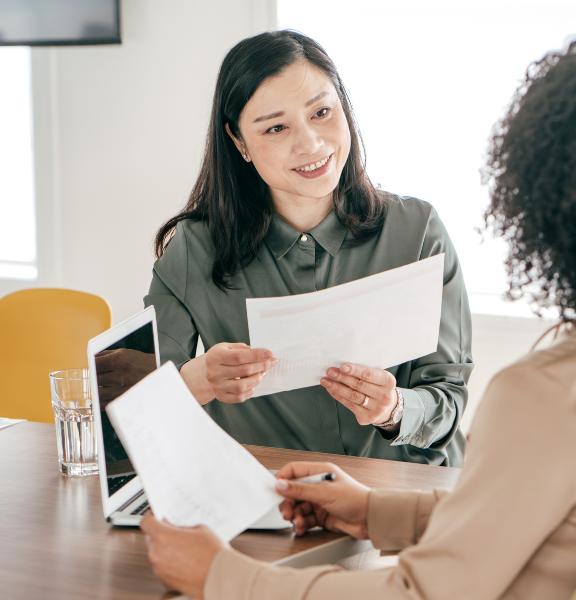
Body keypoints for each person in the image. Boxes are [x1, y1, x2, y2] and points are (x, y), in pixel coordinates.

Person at [139, 38, 576, 600]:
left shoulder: (546, 396)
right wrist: (375, 512)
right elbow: (567, 523)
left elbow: (425, 591)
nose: (308, 140)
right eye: (276, 126)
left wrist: (221, 578)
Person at [144, 31, 473, 466]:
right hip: (271, 506)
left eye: (322, 112)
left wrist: (393, 409)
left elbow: (448, 396)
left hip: (400, 500)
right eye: (276, 127)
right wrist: (198, 380)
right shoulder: (193, 249)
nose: (311, 144)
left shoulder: (417, 231)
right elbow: (140, 409)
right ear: (238, 141)